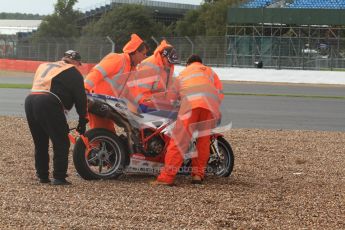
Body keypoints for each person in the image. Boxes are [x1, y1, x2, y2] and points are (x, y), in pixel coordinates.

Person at [152, 54, 224, 186]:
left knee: (180, 141)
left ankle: (167, 178)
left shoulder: (184, 73)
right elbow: (219, 92)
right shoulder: (210, 72)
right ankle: (198, 175)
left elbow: (173, 96)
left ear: (188, 64)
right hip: (209, 107)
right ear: (201, 63)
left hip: (190, 105)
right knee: (203, 141)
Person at [25, 50, 88, 185]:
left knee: (40, 142)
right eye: (79, 64)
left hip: (30, 100)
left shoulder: (45, 65)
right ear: (76, 62)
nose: (78, 66)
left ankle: (42, 176)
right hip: (48, 102)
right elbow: (81, 99)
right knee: (61, 141)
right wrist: (83, 120)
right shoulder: (73, 72)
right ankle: (59, 177)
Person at [84, 34, 148, 132]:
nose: (145, 57)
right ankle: (88, 146)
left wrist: (138, 104)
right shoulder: (118, 59)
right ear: (135, 52)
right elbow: (97, 72)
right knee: (101, 135)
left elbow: (127, 92)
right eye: (143, 54)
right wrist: (85, 88)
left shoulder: (132, 68)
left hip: (110, 105)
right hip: (98, 102)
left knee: (110, 136)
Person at [129, 40, 179, 112]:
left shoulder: (169, 66)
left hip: (157, 103)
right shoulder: (149, 66)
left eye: (173, 62)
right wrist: (148, 105)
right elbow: (140, 90)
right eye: (169, 61)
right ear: (163, 56)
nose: (171, 64)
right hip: (143, 104)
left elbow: (167, 87)